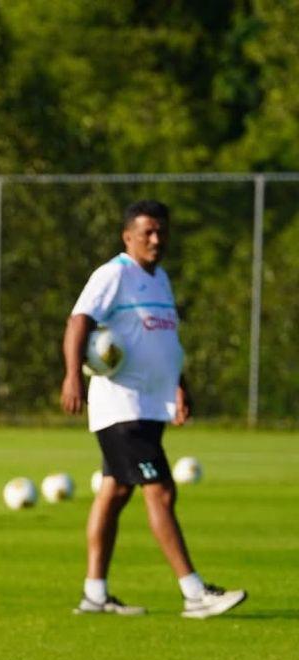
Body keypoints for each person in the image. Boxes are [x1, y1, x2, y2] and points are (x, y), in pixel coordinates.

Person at [60, 199, 246, 619]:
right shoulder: (114, 274)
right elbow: (78, 322)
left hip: (149, 404)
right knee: (160, 490)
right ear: (128, 237)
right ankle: (194, 592)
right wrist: (72, 375)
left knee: (115, 491)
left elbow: (164, 342)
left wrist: (180, 386)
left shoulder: (160, 279)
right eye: (147, 232)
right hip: (121, 405)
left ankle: (94, 593)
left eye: (161, 231)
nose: (156, 239)